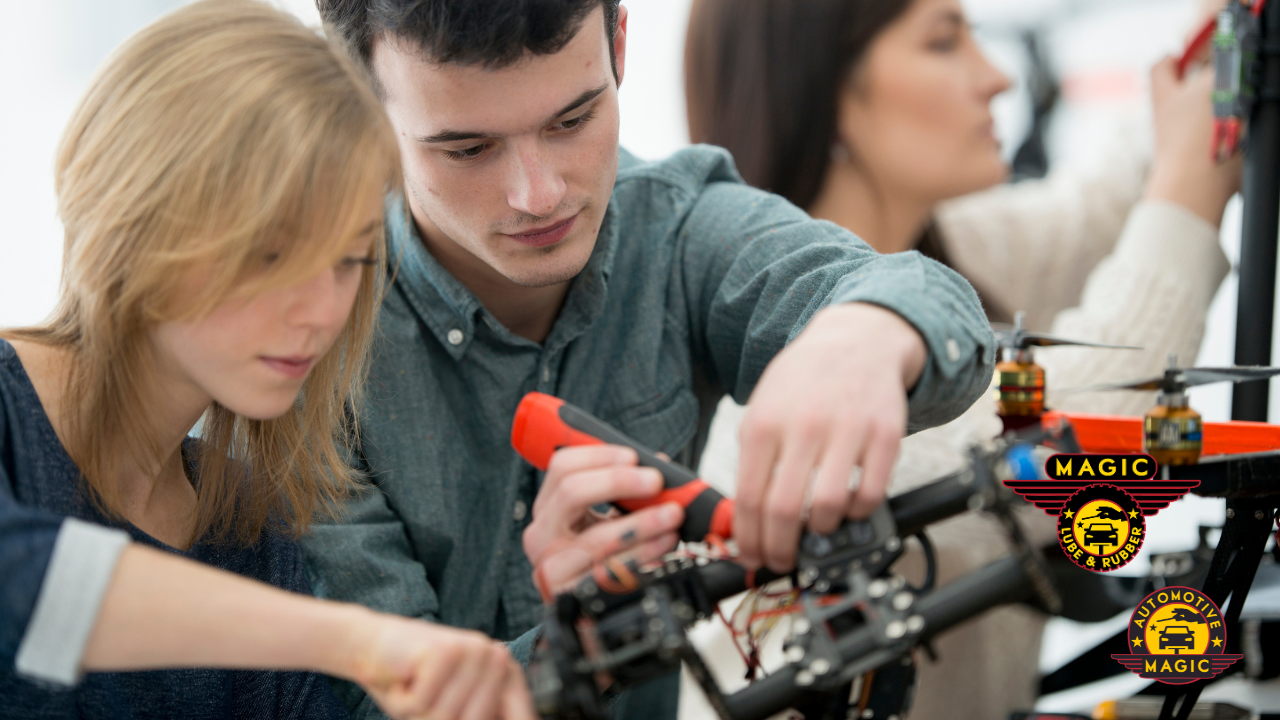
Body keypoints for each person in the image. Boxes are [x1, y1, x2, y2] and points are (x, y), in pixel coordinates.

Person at [303, 0, 997, 718]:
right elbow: (381, 705)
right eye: (468, 150)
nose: (539, 195)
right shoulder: (303, 336)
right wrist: (580, 649)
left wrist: (865, 333)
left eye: (573, 120)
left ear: (619, 44)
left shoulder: (678, 227)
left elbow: (924, 304)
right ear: (358, 99)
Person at [684, 0, 1235, 717]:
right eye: (944, 43)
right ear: (827, 92)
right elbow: (1086, 445)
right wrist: (1191, 184)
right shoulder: (793, 374)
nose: (998, 78)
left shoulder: (946, 251)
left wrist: (1219, 39)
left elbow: (1100, 208)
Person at [0, 3, 532, 719]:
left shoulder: (250, 527)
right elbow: (26, 588)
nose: (321, 312)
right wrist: (351, 639)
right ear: (136, 220)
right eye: (275, 254)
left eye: (349, 260)